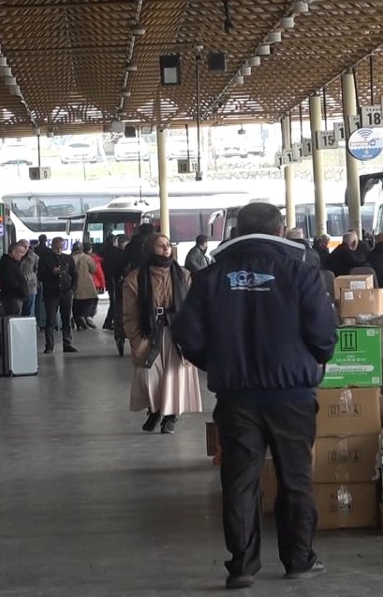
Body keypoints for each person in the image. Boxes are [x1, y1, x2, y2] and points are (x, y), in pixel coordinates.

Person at [174, 202, 337, 590]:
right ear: (280, 230)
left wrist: (218, 363)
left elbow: (187, 335)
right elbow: (324, 336)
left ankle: (242, 567)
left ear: (237, 230)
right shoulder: (301, 272)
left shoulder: (211, 276)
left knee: (240, 479)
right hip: (292, 394)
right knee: (295, 478)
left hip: (236, 395)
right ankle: (299, 559)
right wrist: (311, 360)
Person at [122, 233, 202, 435]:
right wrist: (135, 337)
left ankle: (170, 417)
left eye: (168, 245)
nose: (166, 249)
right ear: (150, 248)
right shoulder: (135, 277)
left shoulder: (184, 275)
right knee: (150, 378)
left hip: (177, 332)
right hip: (148, 332)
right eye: (160, 245)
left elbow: (193, 306)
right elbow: (129, 313)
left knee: (174, 376)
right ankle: (155, 409)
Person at [38, 237, 78, 353]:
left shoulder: (68, 258)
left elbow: (74, 274)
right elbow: (40, 275)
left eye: (62, 245)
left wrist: (72, 289)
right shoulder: (45, 258)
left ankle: (67, 343)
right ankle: (49, 345)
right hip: (51, 292)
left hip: (66, 292)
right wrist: (51, 272)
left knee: (66, 318)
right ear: (53, 245)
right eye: (58, 245)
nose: (60, 247)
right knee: (50, 319)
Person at [0, 241, 31, 317]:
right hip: (13, 298)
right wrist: (22, 290)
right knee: (14, 320)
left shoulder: (11, 262)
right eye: (20, 252)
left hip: (15, 297)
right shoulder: (7, 264)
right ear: (14, 252)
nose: (21, 255)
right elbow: (10, 282)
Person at [72, 242, 100, 330]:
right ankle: (86, 317)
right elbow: (94, 269)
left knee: (75, 303)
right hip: (86, 284)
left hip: (74, 284)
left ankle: (78, 318)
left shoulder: (69, 258)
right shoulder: (86, 257)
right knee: (90, 301)